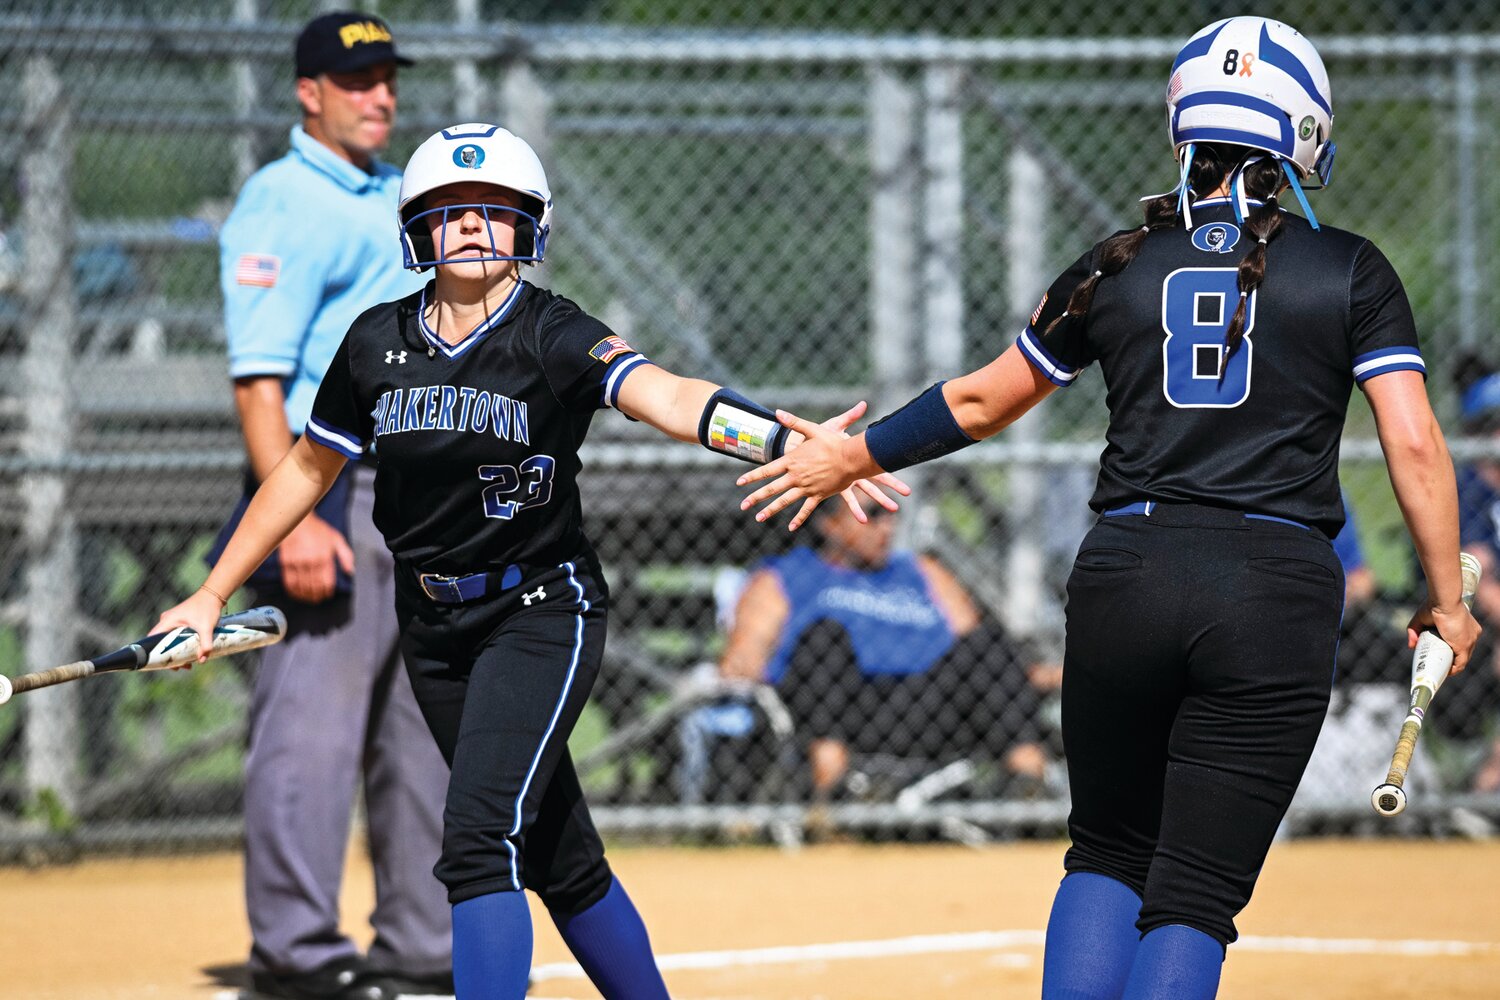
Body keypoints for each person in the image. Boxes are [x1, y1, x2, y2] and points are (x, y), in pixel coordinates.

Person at [738, 17, 1479, 998]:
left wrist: (850, 453)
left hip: (1128, 568)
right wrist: (1448, 598)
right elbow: (1415, 441)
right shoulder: (1350, 267)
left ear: (1185, 126)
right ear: (1301, 133)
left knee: (1108, 853)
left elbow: (977, 400)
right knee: (1195, 895)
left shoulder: (1117, 261)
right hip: (1271, 588)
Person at [157, 122, 902, 999]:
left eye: (497, 211)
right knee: (559, 855)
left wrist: (778, 437)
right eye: (449, 211)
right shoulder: (372, 345)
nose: (473, 225)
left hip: (539, 611)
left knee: (478, 837)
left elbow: (666, 395)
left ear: (531, 228)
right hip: (432, 622)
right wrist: (210, 592)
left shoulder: (554, 335)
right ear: (417, 231)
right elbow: (304, 471)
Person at [211, 13, 452, 1000]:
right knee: (311, 727)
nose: (380, 95)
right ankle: (299, 955)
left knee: (424, 722)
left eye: (388, 77)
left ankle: (421, 948)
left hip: (422, 489)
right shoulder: (281, 202)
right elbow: (259, 384)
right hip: (327, 482)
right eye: (356, 79)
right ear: (307, 91)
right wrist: (297, 518)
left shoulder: (390, 196)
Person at [715, 502, 1058, 800]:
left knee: (987, 642)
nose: (887, 526)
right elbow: (741, 663)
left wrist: (1061, 674)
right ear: (829, 523)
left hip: (927, 706)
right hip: (844, 706)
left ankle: (1027, 789)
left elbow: (980, 654)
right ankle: (832, 795)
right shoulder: (784, 576)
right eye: (873, 513)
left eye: (892, 514)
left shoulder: (922, 571)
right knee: (824, 638)